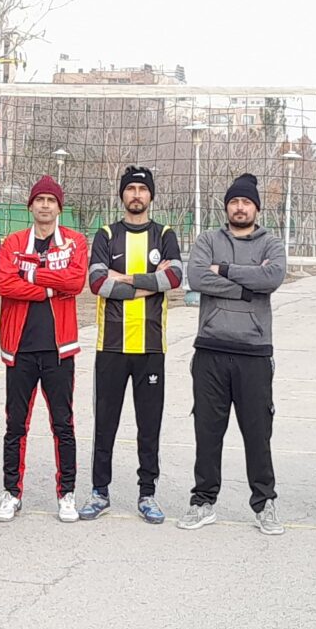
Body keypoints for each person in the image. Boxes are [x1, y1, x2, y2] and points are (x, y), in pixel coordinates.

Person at [183, 172, 289, 535]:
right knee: (207, 432)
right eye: (234, 202)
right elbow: (198, 278)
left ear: (256, 209)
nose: (239, 208)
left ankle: (265, 503)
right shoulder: (208, 240)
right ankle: (203, 502)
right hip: (211, 348)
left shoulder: (271, 244)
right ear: (226, 207)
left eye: (246, 202)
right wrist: (246, 288)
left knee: (257, 433)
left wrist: (225, 270)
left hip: (254, 352)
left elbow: (271, 279)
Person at [85, 165, 184, 523]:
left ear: (150, 195)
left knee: (149, 425)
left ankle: (147, 494)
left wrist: (124, 278)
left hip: (150, 346)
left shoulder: (164, 234)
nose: (136, 195)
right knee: (105, 424)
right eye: (131, 189)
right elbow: (97, 283)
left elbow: (175, 276)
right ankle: (99, 492)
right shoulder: (106, 234)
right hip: (111, 345)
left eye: (142, 190)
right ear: (122, 194)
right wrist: (148, 284)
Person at [0, 176, 90, 523]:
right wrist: (50, 287)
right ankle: (11, 492)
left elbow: (75, 282)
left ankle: (66, 494)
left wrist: (32, 274)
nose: (45, 205)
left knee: (63, 424)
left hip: (59, 349)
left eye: (51, 200)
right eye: (40, 199)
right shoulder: (14, 241)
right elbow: (3, 283)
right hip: (19, 348)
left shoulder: (75, 241)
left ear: (59, 207)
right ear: (31, 206)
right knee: (15, 425)